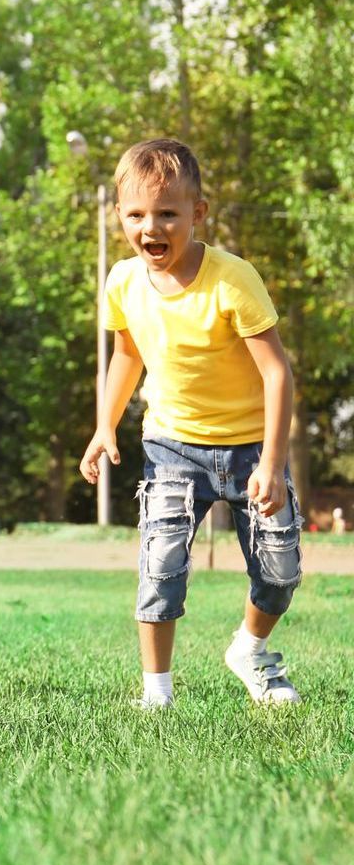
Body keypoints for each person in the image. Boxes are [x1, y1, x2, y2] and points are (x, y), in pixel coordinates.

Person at [81, 138, 302, 709]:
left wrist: (274, 465)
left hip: (252, 447)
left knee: (280, 573)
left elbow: (277, 374)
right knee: (161, 565)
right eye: (135, 214)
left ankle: (249, 650)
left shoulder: (233, 279)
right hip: (171, 447)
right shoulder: (124, 282)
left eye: (167, 213)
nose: (149, 226)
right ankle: (157, 694)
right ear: (120, 217)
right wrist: (106, 425)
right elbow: (128, 355)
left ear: (198, 213)